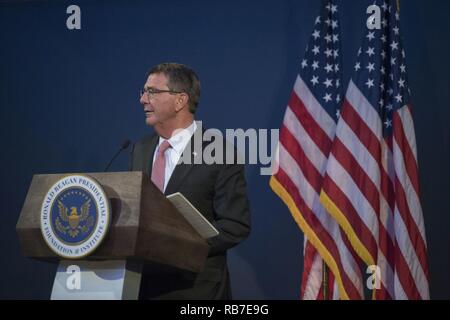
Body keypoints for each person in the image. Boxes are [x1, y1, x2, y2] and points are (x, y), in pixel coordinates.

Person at [130, 62, 251, 299]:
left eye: (152, 91)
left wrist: (180, 245)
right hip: (143, 287)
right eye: (143, 92)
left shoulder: (220, 153)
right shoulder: (140, 149)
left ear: (180, 100)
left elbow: (236, 225)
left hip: (196, 289)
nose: (143, 99)